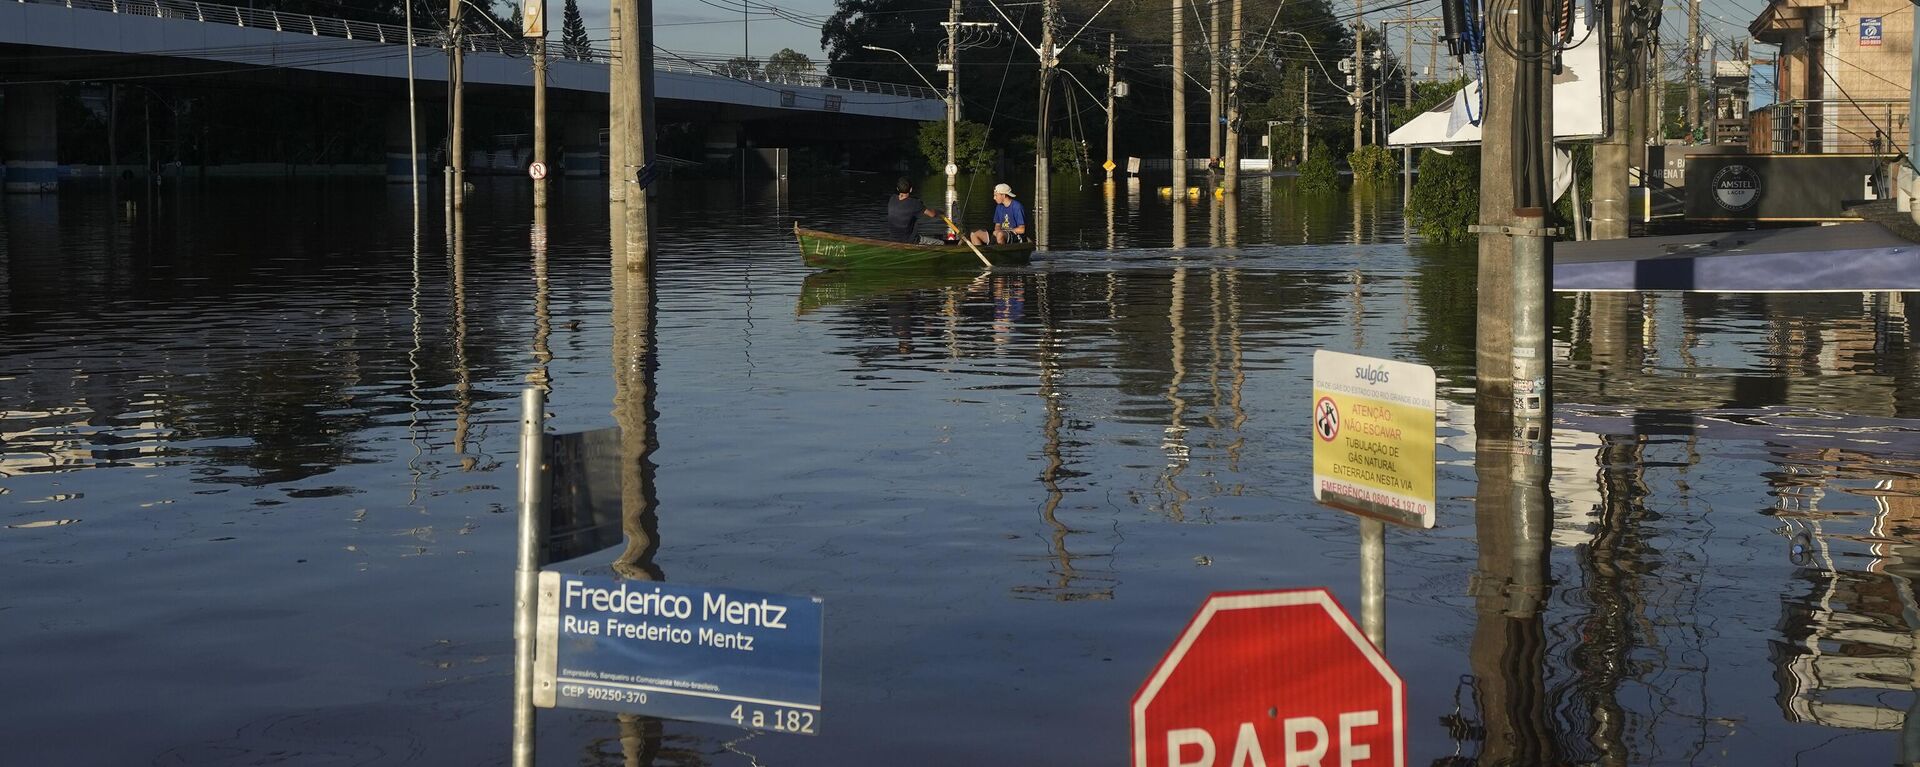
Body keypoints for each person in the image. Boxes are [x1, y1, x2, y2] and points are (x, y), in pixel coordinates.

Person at [886, 177, 942, 244]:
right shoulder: (915, 203)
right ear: (911, 189)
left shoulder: (892, 198)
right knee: (941, 243)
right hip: (910, 241)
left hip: (892, 239)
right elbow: (932, 214)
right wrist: (939, 211)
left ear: (897, 189)